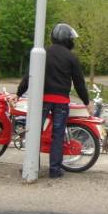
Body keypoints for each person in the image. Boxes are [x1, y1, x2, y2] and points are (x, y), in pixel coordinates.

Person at [15, 23, 92, 179]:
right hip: (61, 102)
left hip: (41, 101)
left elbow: (29, 76)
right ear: (67, 39)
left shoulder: (42, 53)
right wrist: (86, 101)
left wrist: (19, 93)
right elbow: (79, 83)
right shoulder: (72, 58)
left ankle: (31, 165)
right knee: (58, 136)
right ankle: (54, 170)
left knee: (34, 133)